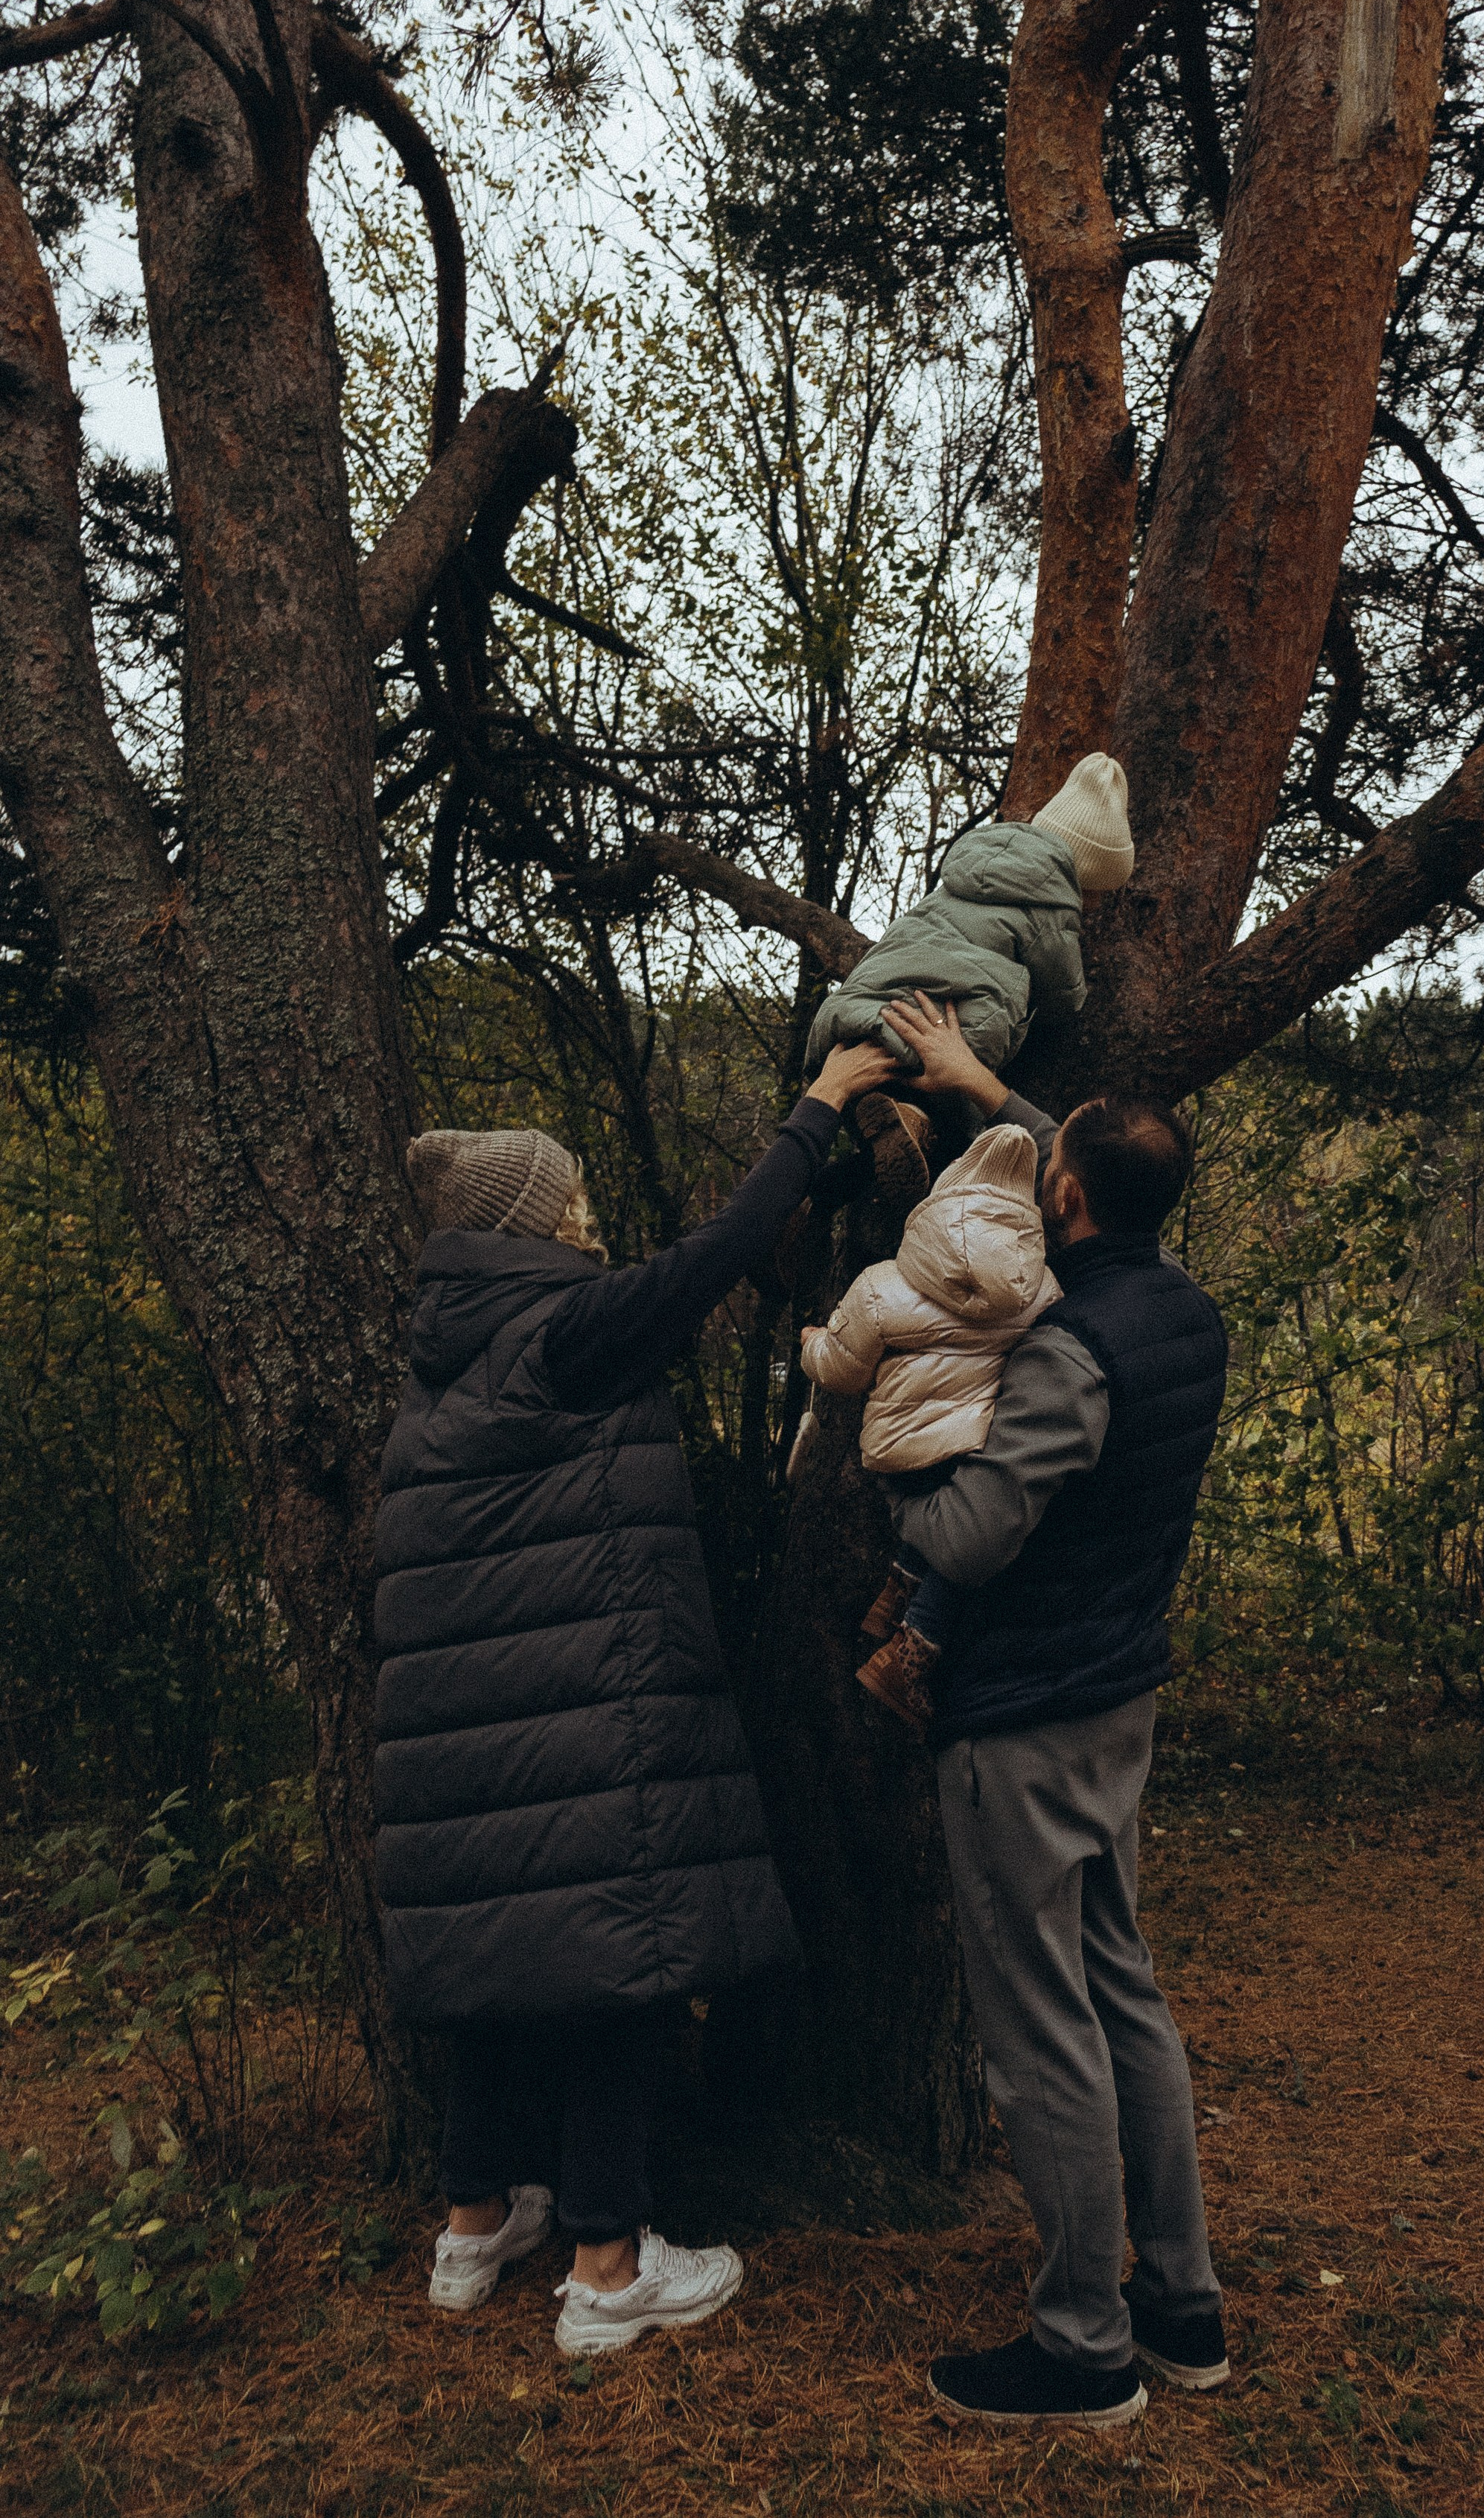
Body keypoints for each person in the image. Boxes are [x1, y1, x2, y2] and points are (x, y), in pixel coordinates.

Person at [371, 1037, 894, 2359]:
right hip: (583, 1719)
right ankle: (607, 2264)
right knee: (616, 1963)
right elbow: (716, 1254)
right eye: (567, 1198)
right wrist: (820, 1105)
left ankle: (474, 2220)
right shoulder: (564, 1333)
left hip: (474, 1740)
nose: (586, 1211)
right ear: (526, 1226)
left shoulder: (442, 1370)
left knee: (506, 1958)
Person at [876, 990, 1232, 2431]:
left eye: (1049, 1165)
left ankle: (1083, 2342)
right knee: (1121, 1990)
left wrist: (899, 1487)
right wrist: (980, 1085)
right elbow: (1088, 1169)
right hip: (1116, 1699)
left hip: (1019, 1714)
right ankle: (1181, 2303)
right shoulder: (1181, 1310)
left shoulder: (1068, 1351)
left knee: (1038, 2033)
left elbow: (973, 1533)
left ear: (1065, 1199)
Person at [795, 1122, 1061, 1726]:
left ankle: (899, 1622)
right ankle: (913, 1639)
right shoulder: (1042, 1287)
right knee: (978, 1543)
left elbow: (841, 1370)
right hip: (973, 1445)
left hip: (897, 1451)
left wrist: (813, 1345)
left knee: (956, 1537)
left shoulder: (882, 1284)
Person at [800, 754, 1135, 1212]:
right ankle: (913, 1123)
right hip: (939, 1028)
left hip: (864, 1005)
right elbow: (1064, 996)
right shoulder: (1052, 908)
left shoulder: (972, 867)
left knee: (885, 1079)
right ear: (1084, 875)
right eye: (1097, 894)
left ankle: (813, 1187)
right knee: (958, 1117)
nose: (1093, 905)